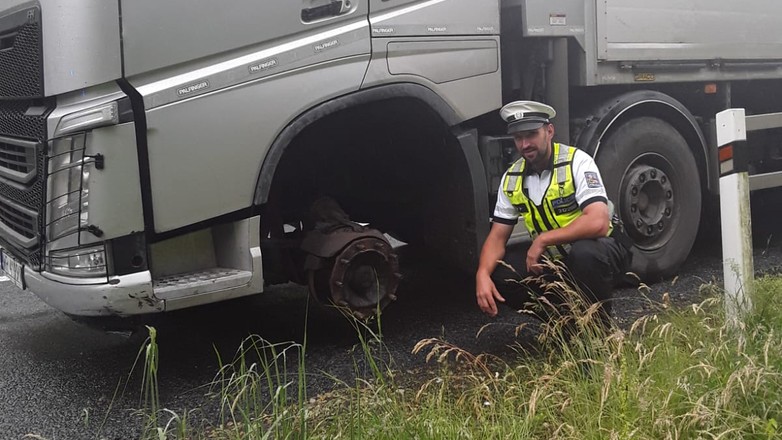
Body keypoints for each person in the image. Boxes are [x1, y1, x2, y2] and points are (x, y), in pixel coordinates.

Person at [475, 100, 632, 325]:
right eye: (518, 138)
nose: (525, 144)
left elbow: (598, 221)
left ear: (549, 131)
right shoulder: (512, 178)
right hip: (557, 258)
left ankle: (598, 332)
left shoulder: (576, 161)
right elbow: (497, 237)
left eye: (531, 134)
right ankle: (566, 325)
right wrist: (481, 274)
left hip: (603, 249)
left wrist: (543, 240)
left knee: (585, 254)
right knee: (500, 272)